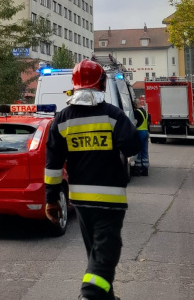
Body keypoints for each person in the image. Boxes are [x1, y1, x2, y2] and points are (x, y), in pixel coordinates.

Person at [44, 59, 141, 300]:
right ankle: (89, 295)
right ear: (101, 83)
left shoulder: (62, 119)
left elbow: (53, 165)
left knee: (96, 251)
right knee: (106, 252)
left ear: (75, 85)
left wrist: (52, 200)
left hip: (80, 199)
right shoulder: (113, 115)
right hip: (110, 199)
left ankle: (106, 297)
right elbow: (133, 147)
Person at [132, 100, 150, 176]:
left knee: (138, 150)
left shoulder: (136, 112)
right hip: (146, 132)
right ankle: (145, 169)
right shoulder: (145, 112)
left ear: (135, 104)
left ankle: (138, 169)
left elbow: (135, 122)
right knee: (145, 151)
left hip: (140, 133)